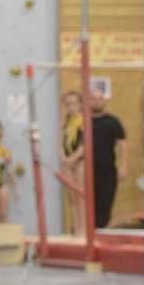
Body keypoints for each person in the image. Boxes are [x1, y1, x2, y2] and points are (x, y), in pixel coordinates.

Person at [89, 83, 127, 229]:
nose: (96, 102)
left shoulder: (112, 122)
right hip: (86, 172)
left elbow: (123, 144)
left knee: (104, 205)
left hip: (107, 172)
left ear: (104, 101)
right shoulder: (82, 121)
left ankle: (100, 233)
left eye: (99, 99)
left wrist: (123, 166)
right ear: (89, 101)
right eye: (93, 98)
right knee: (88, 205)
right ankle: (88, 234)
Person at [60, 89, 86, 236]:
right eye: (68, 104)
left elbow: (84, 145)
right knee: (71, 197)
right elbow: (60, 143)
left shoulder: (83, 120)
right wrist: (63, 157)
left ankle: (83, 229)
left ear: (80, 104)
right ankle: (76, 228)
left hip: (80, 160)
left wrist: (72, 159)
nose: (71, 107)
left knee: (80, 195)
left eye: (73, 104)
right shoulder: (65, 123)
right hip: (68, 162)